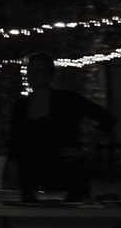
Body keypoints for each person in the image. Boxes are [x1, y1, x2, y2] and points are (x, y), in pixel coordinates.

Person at [9, 52, 114, 202]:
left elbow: (106, 118)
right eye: (30, 72)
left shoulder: (68, 100)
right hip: (32, 178)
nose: (34, 77)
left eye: (39, 71)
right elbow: (15, 143)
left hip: (66, 175)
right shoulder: (21, 106)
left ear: (50, 75)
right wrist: (14, 171)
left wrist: (87, 148)